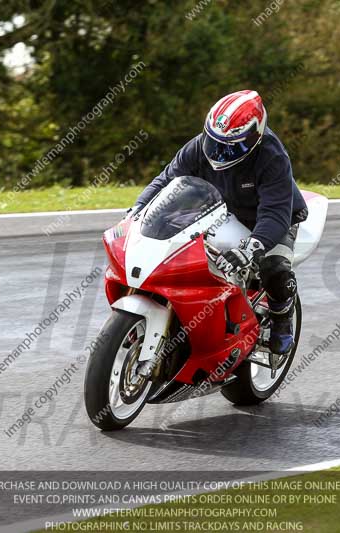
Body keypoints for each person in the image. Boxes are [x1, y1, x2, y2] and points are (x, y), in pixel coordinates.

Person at [128, 90, 307, 355]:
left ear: (255, 138)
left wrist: (251, 247)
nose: (220, 154)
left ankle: (282, 315)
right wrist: (138, 210)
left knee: (274, 267)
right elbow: (167, 180)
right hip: (221, 208)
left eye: (232, 147)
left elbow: (276, 212)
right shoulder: (198, 146)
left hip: (269, 219)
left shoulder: (272, 157)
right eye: (215, 143)